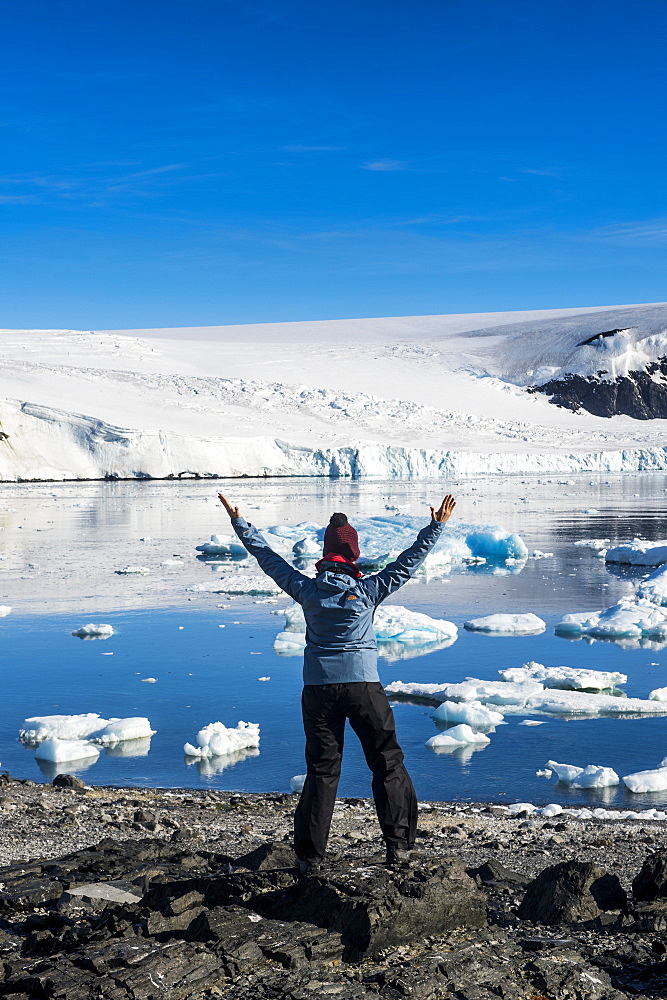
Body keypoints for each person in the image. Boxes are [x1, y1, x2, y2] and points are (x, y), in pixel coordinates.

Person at [218, 492, 456, 873]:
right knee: (387, 763)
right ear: (354, 554)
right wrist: (436, 526)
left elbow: (269, 561)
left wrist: (239, 522)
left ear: (326, 554)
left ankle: (310, 857)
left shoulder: (307, 591)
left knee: (323, 770)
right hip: (364, 687)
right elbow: (409, 562)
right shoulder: (367, 590)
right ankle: (399, 847)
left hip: (318, 691)